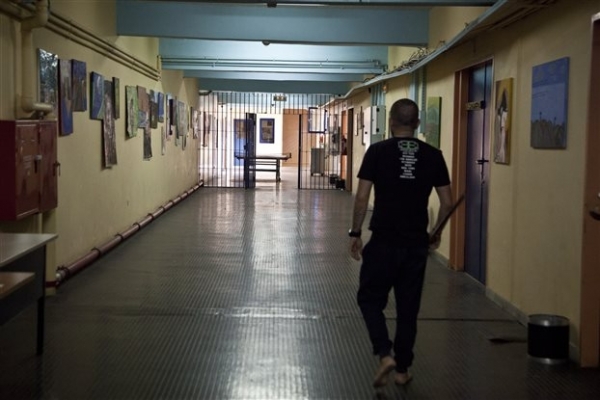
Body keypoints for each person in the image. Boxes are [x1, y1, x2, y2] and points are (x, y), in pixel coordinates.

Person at [349, 98, 454, 387]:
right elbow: (447, 203)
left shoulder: (377, 151)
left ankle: (385, 353)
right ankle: (402, 370)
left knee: (370, 299)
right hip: (415, 244)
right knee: (408, 308)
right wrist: (436, 232)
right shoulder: (433, 155)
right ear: (417, 124)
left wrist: (355, 233)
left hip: (383, 241)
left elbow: (362, 197)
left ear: (391, 122)